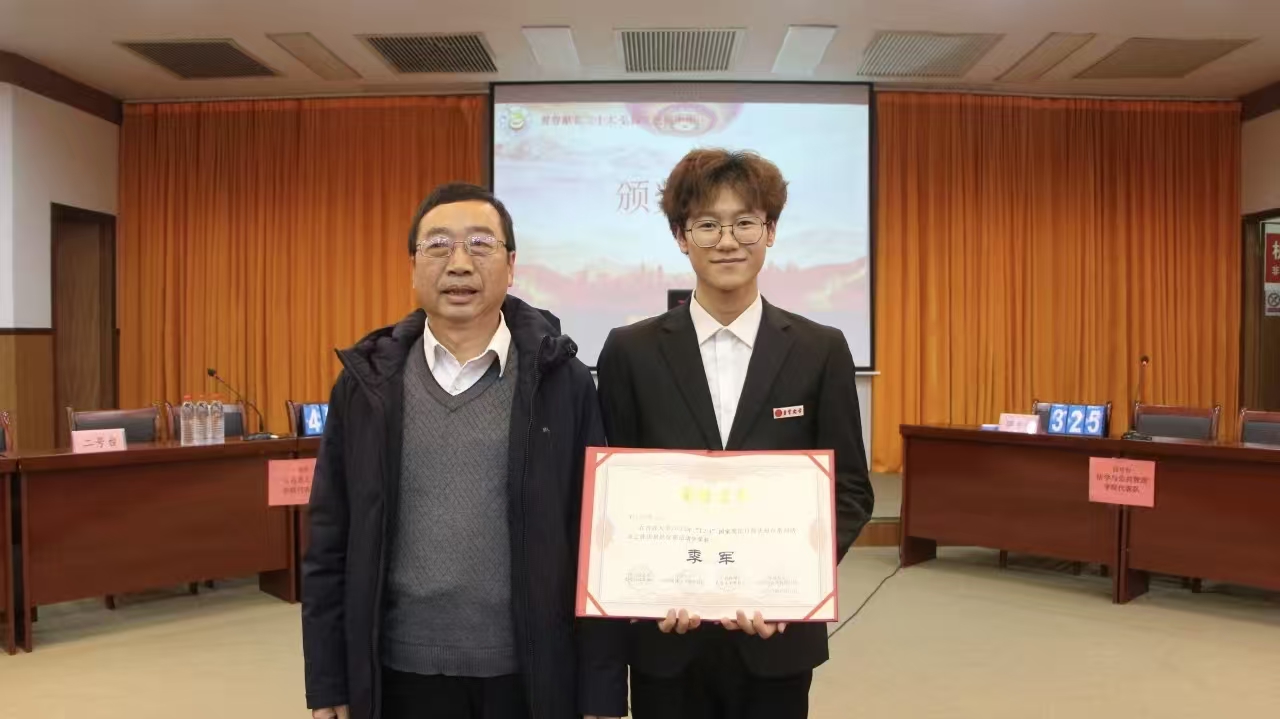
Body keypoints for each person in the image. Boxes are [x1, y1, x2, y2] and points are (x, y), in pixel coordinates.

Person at [302, 183, 627, 719]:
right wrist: (328, 680)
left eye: (480, 244)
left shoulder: (562, 381)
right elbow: (329, 540)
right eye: (438, 245)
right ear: (412, 266)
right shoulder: (367, 385)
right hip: (397, 673)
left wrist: (601, 692)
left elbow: (598, 540)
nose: (459, 264)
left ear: (511, 264)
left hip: (529, 675)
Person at [596, 149, 875, 719]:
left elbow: (849, 490)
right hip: (666, 638)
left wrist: (791, 589)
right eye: (708, 225)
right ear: (681, 236)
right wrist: (643, 591)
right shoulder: (630, 351)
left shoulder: (821, 349)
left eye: (745, 222)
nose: (727, 241)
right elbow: (610, 491)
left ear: (770, 231)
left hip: (777, 638)